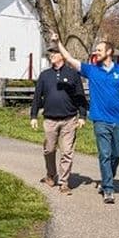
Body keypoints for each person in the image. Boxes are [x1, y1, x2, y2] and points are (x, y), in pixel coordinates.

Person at [53, 33, 119, 204]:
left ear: (109, 52)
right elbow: (70, 59)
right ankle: (108, 189)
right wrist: (58, 43)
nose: (96, 52)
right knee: (105, 154)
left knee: (117, 153)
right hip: (100, 119)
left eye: (99, 49)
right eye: (96, 50)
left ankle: (106, 178)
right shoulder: (92, 70)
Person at [30, 45, 88, 195]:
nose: (51, 56)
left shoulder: (73, 74)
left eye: (55, 53)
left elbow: (80, 95)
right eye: (50, 54)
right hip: (50, 119)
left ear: (62, 55)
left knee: (67, 151)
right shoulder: (45, 75)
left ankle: (64, 182)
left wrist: (82, 116)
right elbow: (37, 96)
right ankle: (50, 175)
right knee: (49, 149)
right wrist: (34, 116)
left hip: (69, 119)